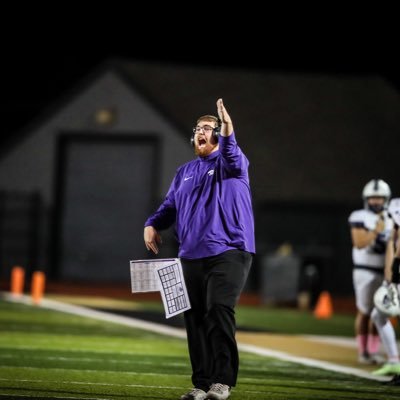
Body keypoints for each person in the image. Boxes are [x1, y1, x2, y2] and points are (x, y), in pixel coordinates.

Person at [143, 98, 255, 400]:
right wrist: (152, 223)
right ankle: (202, 383)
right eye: (199, 129)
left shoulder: (233, 164)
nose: (202, 132)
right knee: (193, 319)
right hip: (190, 255)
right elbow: (169, 206)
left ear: (219, 135)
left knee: (219, 309)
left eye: (210, 128)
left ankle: (222, 381)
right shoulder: (184, 172)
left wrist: (228, 128)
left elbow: (231, 153)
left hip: (229, 251)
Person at [348, 179, 393, 365]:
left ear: (386, 199)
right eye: (372, 198)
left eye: (379, 198)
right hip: (364, 271)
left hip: (385, 271)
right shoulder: (359, 216)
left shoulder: (393, 217)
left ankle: (373, 351)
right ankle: (363, 351)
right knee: (365, 311)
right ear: (366, 199)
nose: (376, 201)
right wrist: (376, 231)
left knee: (380, 312)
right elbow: (359, 243)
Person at [371, 197, 400, 377]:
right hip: (394, 271)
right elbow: (392, 241)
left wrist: (395, 269)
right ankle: (394, 361)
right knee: (377, 314)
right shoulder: (393, 208)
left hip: (398, 269)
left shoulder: (396, 206)